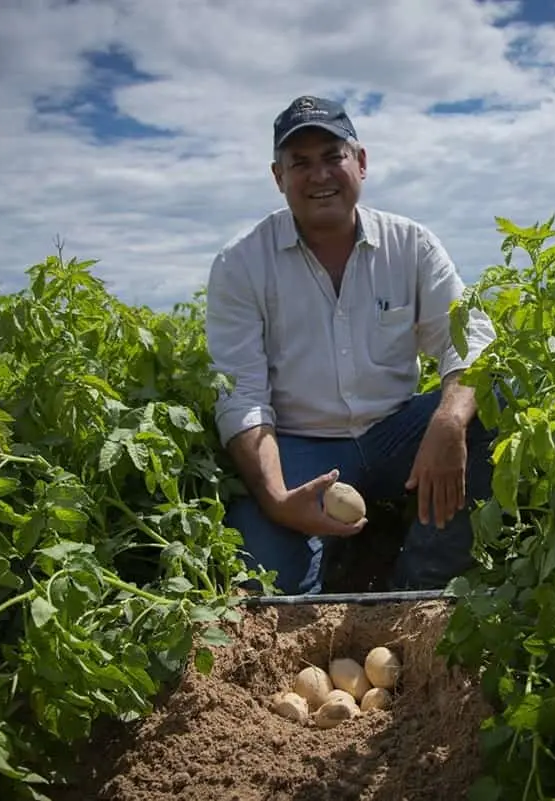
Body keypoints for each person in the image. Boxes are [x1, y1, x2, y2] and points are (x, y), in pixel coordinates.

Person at [204, 95, 499, 595]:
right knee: (265, 582)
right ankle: (323, 571)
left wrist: (448, 422)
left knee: (495, 400)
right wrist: (277, 498)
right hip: (299, 446)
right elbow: (243, 396)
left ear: (360, 163)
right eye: (300, 163)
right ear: (279, 178)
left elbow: (471, 341)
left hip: (394, 435)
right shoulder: (242, 264)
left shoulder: (411, 245)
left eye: (332, 157)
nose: (319, 175)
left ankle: (416, 590)